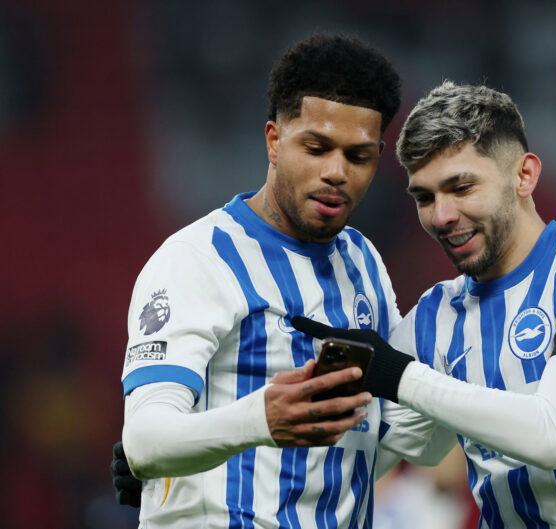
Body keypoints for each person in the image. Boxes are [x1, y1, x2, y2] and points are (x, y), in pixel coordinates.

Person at [292, 81, 556, 528]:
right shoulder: (434, 319)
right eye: (425, 197)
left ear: (524, 175)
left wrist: (400, 376)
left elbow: (550, 433)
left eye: (461, 187)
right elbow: (368, 459)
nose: (441, 216)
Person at [118, 34, 450, 529]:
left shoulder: (362, 262)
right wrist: (258, 421)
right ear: (274, 140)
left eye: (358, 157)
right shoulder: (197, 259)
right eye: (316, 148)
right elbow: (143, 443)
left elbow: (396, 438)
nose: (336, 172)